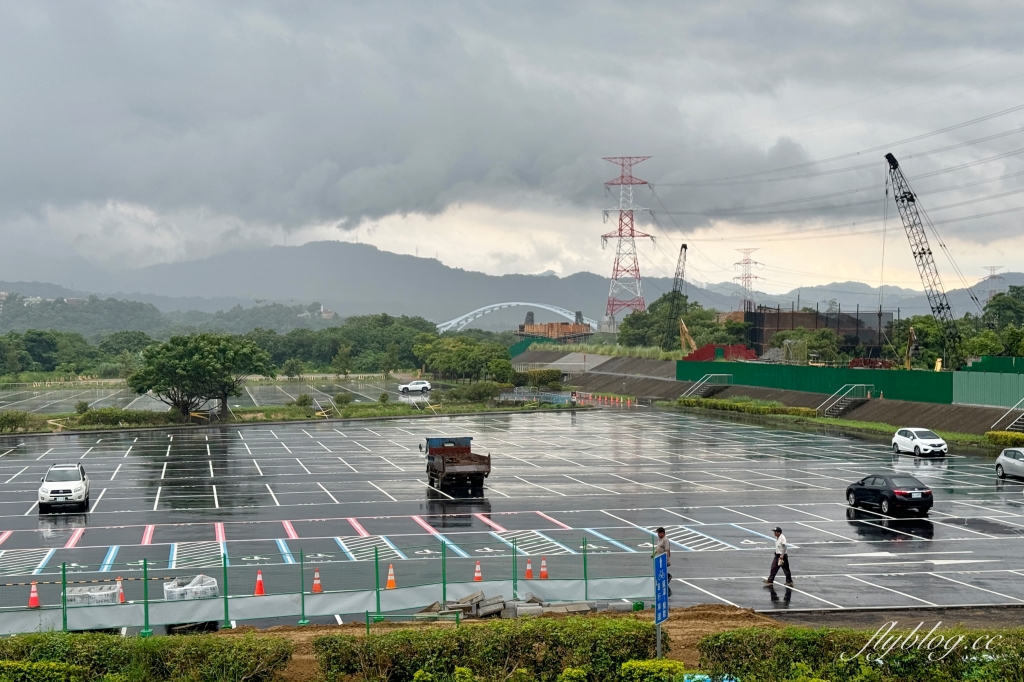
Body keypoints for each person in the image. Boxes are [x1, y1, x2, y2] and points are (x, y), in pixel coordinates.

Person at [654, 527, 672, 596]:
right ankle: (666, 590)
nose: (658, 534)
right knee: (660, 574)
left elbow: (667, 550)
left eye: (659, 533)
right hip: (659, 559)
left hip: (663, 560)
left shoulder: (666, 540)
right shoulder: (660, 539)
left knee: (662, 576)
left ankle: (668, 577)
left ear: (663, 533)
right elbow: (658, 547)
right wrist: (654, 553)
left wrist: (667, 560)